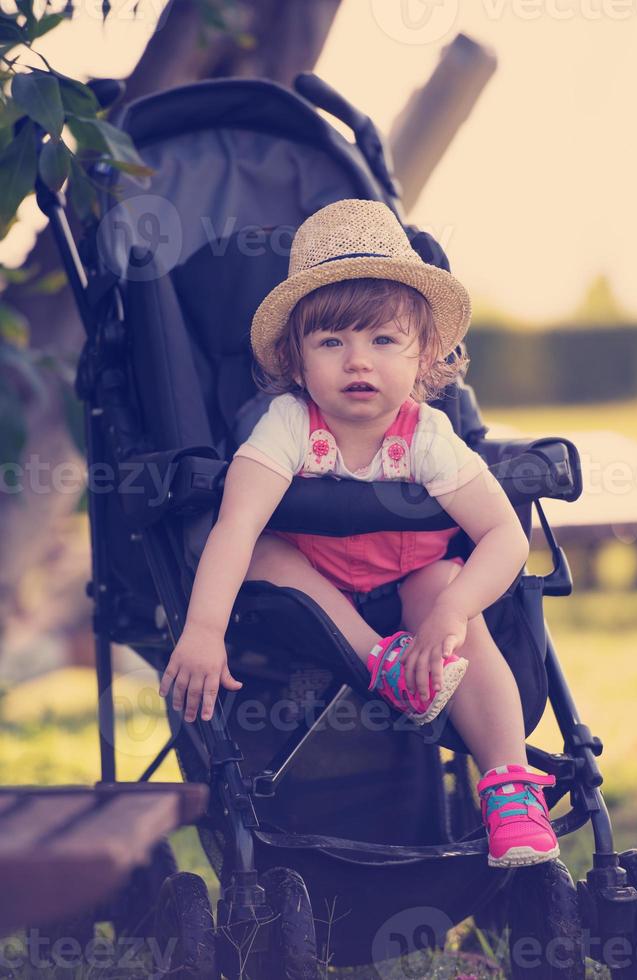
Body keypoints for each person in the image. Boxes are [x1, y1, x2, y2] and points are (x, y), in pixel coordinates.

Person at [159, 199, 559, 868]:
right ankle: (386, 662)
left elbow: (504, 537)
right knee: (261, 546)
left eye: (382, 340)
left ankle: (508, 784)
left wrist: (456, 611)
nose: (357, 362)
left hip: (410, 580)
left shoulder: (426, 435)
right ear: (294, 358)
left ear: (425, 352)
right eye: (331, 343)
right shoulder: (287, 426)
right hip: (312, 595)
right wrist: (202, 630)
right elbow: (234, 527)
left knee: (446, 582)